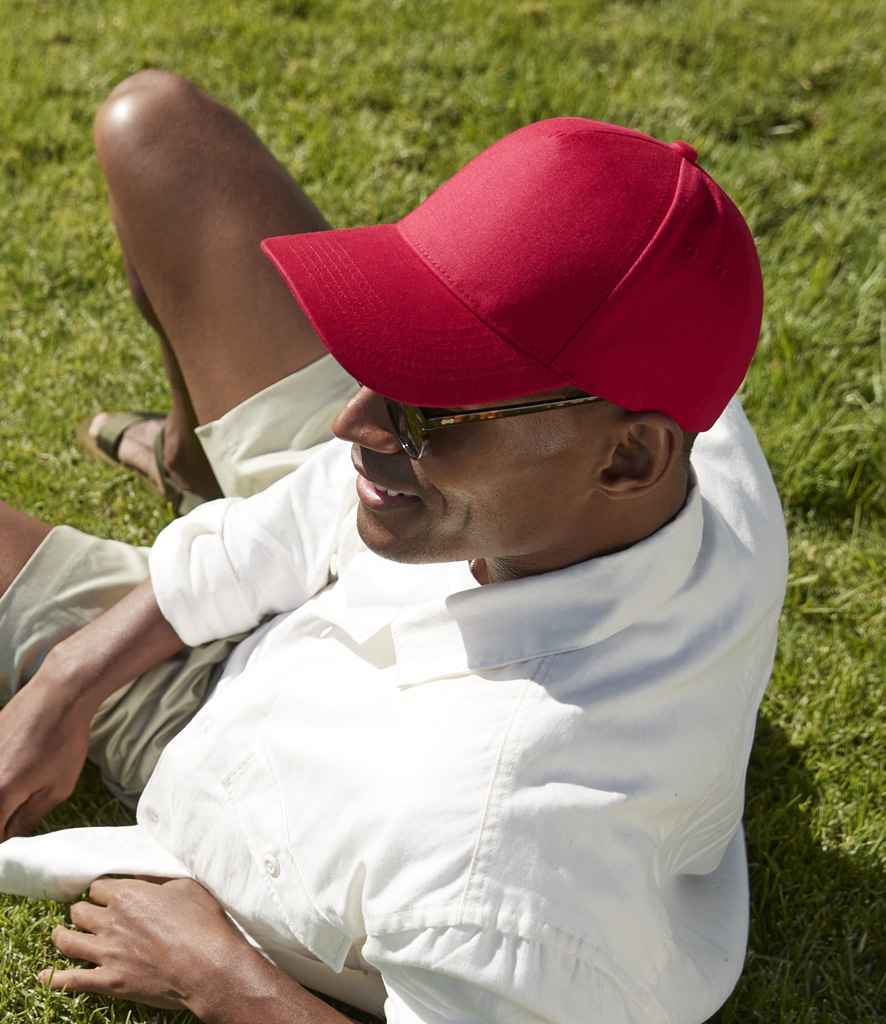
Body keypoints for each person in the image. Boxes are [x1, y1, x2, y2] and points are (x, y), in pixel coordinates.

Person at [0, 70, 788, 1024]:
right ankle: (192, 457)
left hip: (222, 741)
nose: (350, 419)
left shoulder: (501, 856)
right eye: (389, 355)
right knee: (156, 128)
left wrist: (217, 978)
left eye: (432, 396)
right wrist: (68, 678)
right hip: (368, 556)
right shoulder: (674, 422)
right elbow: (329, 488)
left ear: (628, 457)